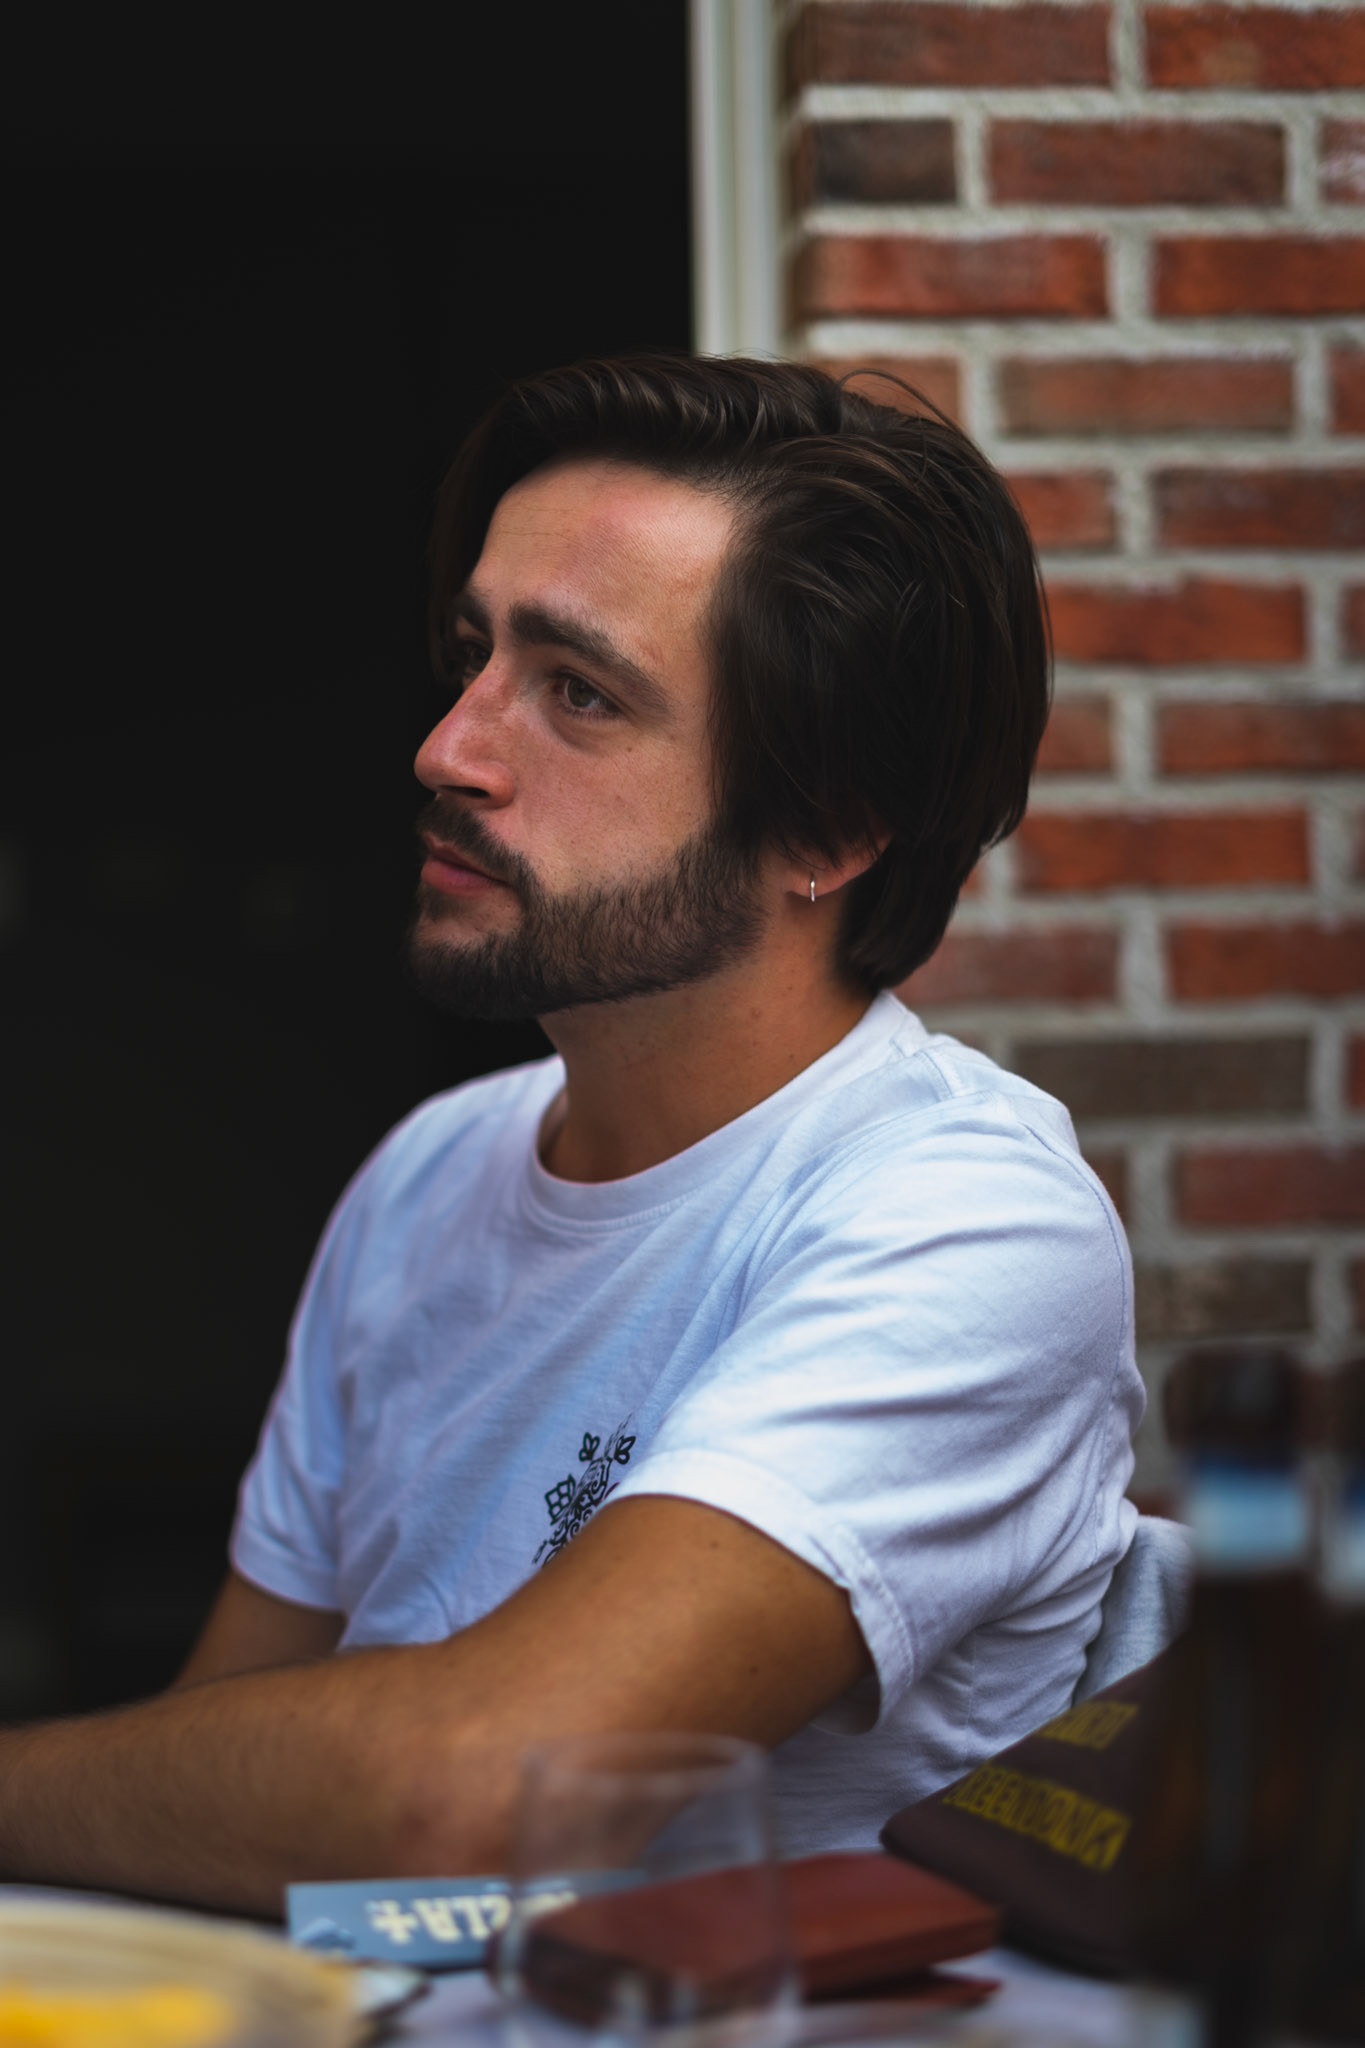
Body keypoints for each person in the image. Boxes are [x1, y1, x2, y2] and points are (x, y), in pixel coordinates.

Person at [0, 354, 1141, 1913]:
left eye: (579, 691)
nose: (448, 748)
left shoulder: (963, 1220)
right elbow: (204, 1767)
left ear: (824, 827)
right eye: (474, 656)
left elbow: (475, 1795)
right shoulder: (429, 1171)